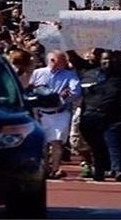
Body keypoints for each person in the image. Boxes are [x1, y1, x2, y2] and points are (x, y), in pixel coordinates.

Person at [78, 50, 121, 182]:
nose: (107, 62)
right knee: (97, 146)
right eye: (104, 59)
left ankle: (118, 169)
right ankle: (100, 171)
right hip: (91, 116)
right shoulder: (89, 74)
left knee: (113, 141)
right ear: (99, 60)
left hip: (114, 116)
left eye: (110, 59)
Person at [28, 50, 81, 179]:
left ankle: (55, 168)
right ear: (52, 61)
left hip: (59, 113)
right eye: (62, 60)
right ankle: (45, 169)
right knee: (43, 143)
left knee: (56, 142)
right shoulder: (38, 73)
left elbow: (76, 91)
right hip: (41, 113)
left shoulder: (69, 75)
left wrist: (61, 100)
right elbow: (30, 89)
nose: (65, 62)